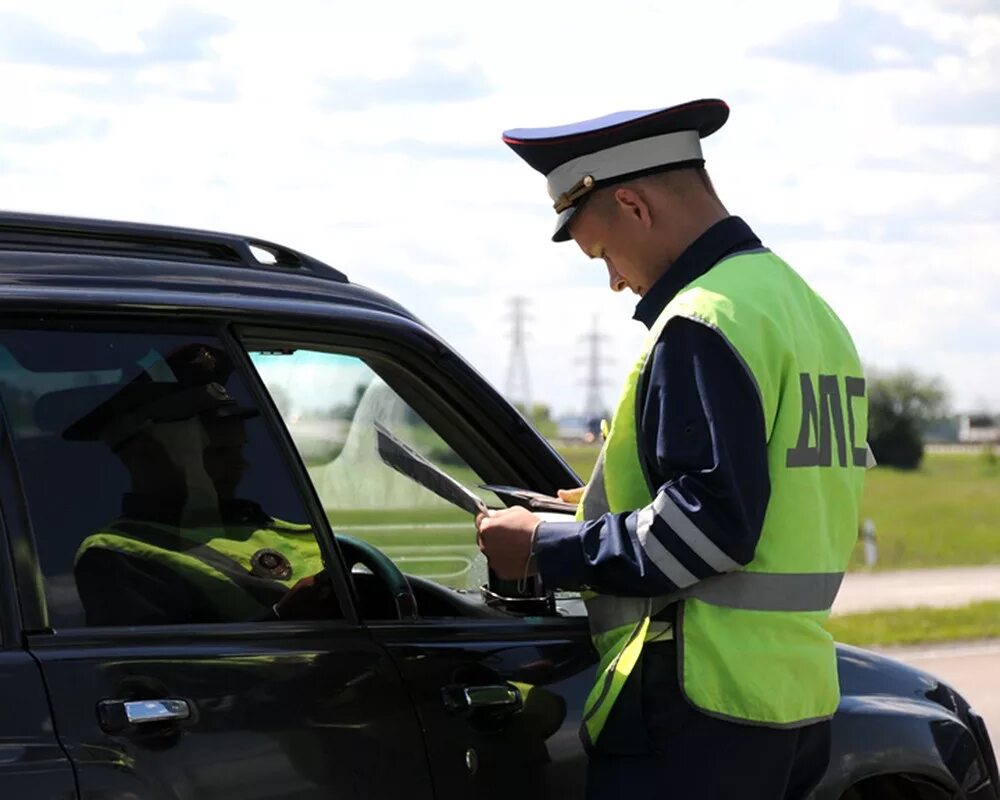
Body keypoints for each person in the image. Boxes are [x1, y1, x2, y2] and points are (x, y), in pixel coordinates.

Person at [476, 99, 870, 798]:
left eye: (602, 254)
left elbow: (706, 530)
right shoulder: (804, 309)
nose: (616, 280)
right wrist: (597, 507)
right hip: (792, 699)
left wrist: (543, 545)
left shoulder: (702, 319)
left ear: (632, 204)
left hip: (699, 704)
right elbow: (771, 498)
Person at [66, 344, 334, 626]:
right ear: (145, 455)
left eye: (239, 449)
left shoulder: (269, 524)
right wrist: (285, 619)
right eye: (217, 451)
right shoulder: (119, 553)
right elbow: (165, 666)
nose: (242, 466)